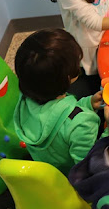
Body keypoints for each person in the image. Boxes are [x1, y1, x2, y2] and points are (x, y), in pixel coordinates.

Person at [13, 29, 102, 176]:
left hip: (49, 165)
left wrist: (88, 104)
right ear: (68, 78)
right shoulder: (83, 124)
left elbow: (59, 116)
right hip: (72, 177)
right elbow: (89, 168)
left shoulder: (25, 98)